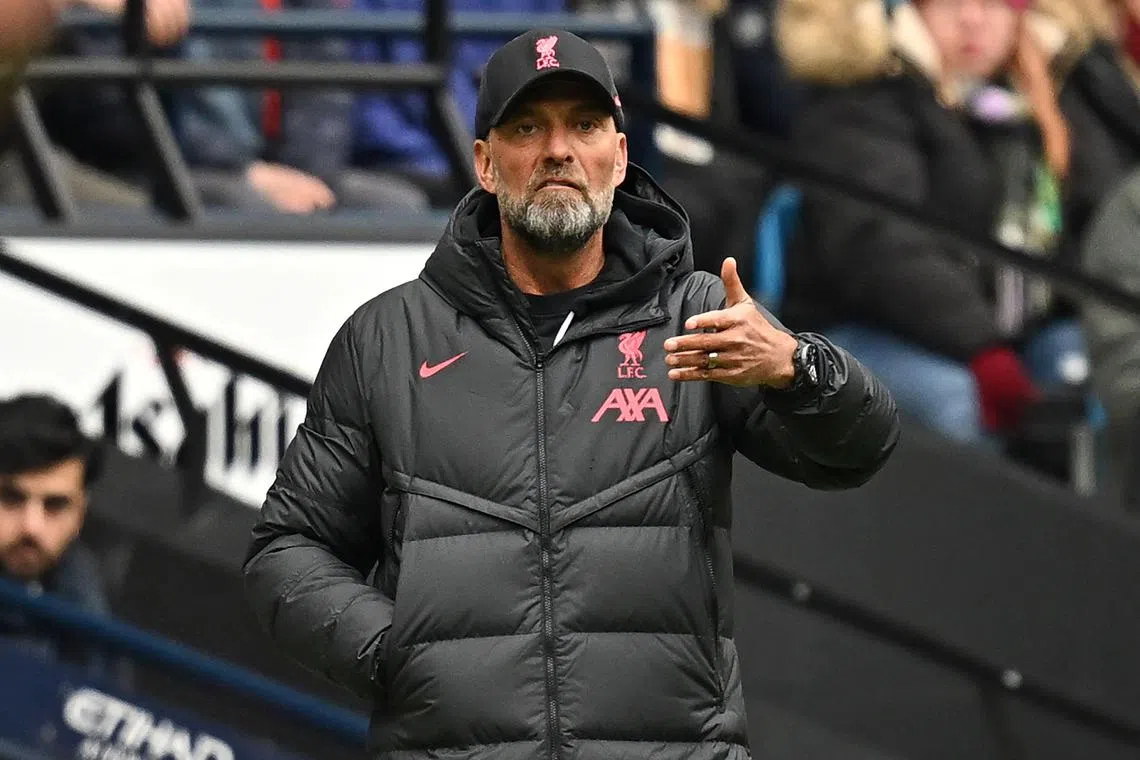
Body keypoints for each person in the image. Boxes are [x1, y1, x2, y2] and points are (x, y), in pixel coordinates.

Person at [244, 29, 899, 760]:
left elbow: (861, 449)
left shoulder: (699, 315)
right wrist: (396, 652)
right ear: (486, 165)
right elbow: (288, 550)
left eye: (584, 126)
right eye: (528, 127)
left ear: (619, 157)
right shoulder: (388, 340)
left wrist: (798, 368)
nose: (559, 150)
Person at [775, 0, 1133, 445]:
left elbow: (1101, 220)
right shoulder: (864, 96)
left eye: (994, 3)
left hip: (1014, 334)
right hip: (866, 329)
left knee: (1098, 374)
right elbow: (880, 247)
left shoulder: (1045, 102)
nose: (972, 18)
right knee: (959, 403)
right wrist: (983, 349)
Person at [0, 394, 112, 674]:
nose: (31, 526)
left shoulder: (88, 616)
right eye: (10, 498)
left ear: (80, 514)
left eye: (55, 505)